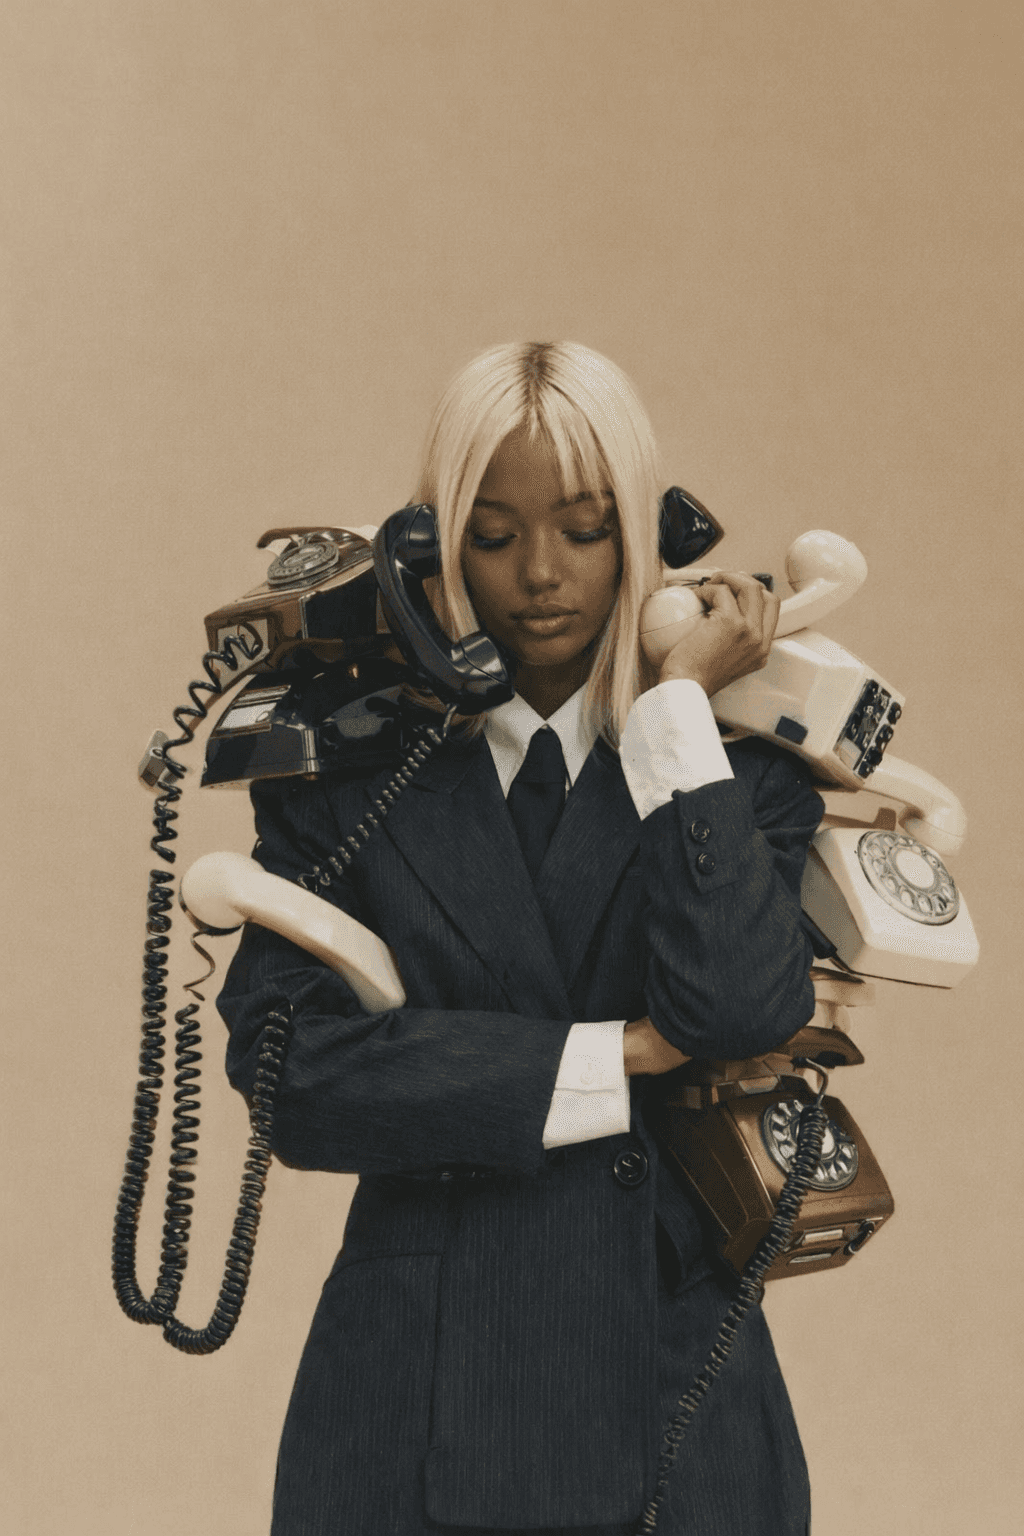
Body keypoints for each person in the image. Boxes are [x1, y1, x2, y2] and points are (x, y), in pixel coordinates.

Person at [218, 341, 823, 1535]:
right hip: (410, 1401)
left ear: (643, 542)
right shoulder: (341, 771)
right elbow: (290, 1077)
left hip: (674, 1391)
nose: (539, 576)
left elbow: (743, 1010)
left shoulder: (735, 767)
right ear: (427, 545)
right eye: (490, 538)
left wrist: (677, 712)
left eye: (586, 531)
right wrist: (616, 1060)